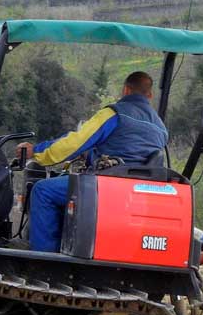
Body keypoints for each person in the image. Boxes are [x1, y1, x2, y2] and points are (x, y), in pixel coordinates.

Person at [16, 71, 168, 252]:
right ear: (150, 95)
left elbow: (75, 142)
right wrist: (89, 156)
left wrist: (37, 151)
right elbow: (129, 152)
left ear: (125, 90)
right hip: (136, 191)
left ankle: (42, 258)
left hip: (105, 186)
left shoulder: (114, 114)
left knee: (42, 190)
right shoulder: (161, 128)